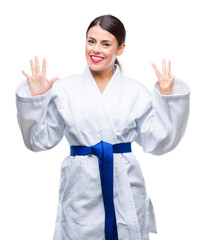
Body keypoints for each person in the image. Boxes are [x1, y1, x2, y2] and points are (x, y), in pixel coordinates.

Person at [16, 14, 190, 240]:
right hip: (80, 188)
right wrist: (36, 99)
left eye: (105, 44)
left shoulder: (135, 91)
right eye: (91, 41)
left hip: (125, 182)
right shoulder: (64, 90)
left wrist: (167, 98)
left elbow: (158, 141)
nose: (95, 50)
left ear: (120, 49)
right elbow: (38, 141)